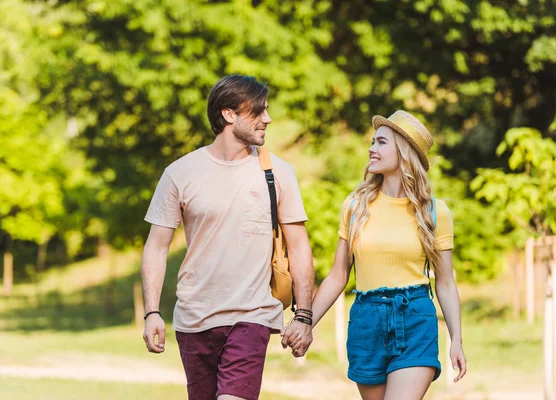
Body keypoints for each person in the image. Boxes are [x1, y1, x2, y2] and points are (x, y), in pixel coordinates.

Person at [141, 74, 314, 400]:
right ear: (228, 114)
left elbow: (299, 247)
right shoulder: (180, 173)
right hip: (194, 320)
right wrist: (152, 312)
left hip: (252, 316)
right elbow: (156, 247)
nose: (268, 119)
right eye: (258, 111)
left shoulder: (278, 173)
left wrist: (303, 315)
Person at [285, 110, 467, 400]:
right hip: (367, 322)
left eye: (381, 142)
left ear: (404, 152)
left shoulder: (434, 212)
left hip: (415, 319)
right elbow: (338, 275)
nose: (371, 149)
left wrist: (456, 339)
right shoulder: (356, 206)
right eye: (372, 142)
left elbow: (445, 283)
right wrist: (306, 322)